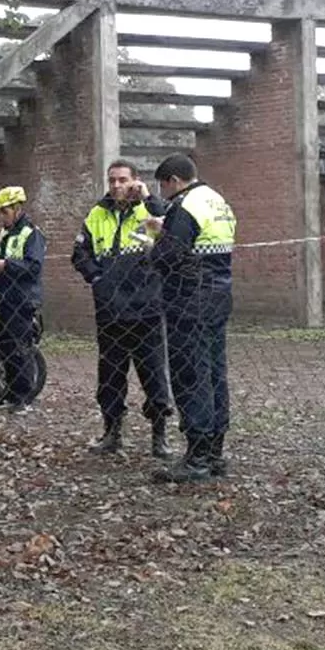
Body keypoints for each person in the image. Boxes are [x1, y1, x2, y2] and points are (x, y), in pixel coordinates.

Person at [71, 160, 177, 458]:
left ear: (135, 181)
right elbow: (79, 253)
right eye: (112, 180)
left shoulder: (151, 209)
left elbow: (174, 228)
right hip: (110, 314)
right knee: (110, 377)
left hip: (147, 312)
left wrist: (148, 197)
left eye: (122, 180)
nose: (117, 185)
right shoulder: (97, 213)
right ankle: (112, 432)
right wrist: (97, 278)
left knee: (154, 375)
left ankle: (159, 437)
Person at [144, 154, 237, 483]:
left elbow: (169, 254)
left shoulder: (185, 206)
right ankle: (214, 452)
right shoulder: (217, 201)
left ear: (172, 180)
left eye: (162, 185)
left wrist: (153, 242)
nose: (163, 191)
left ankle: (196, 457)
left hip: (189, 300)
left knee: (190, 374)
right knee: (214, 373)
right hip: (217, 295)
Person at [0, 186, 46, 413]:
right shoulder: (4, 235)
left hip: (23, 301)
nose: (1, 216)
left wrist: (5, 265)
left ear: (17, 209)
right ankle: (11, 394)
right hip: (5, 300)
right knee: (6, 348)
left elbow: (34, 266)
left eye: (4, 211)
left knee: (21, 348)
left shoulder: (31, 233)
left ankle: (24, 398)